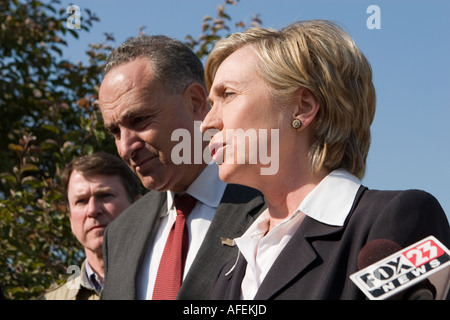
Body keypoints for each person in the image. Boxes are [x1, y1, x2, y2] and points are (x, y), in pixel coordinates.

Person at [200, 20, 450, 299]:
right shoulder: (228, 274)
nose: (207, 123)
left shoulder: (402, 219)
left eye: (228, 95)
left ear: (302, 107)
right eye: (211, 104)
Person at [97, 35, 265, 300]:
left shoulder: (273, 204)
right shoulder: (120, 233)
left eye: (139, 120)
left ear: (196, 102)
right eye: (115, 131)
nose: (125, 148)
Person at [43, 152, 141, 300]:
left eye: (105, 196)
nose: (93, 210)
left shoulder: (173, 280)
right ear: (70, 219)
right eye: (81, 201)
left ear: (138, 207)